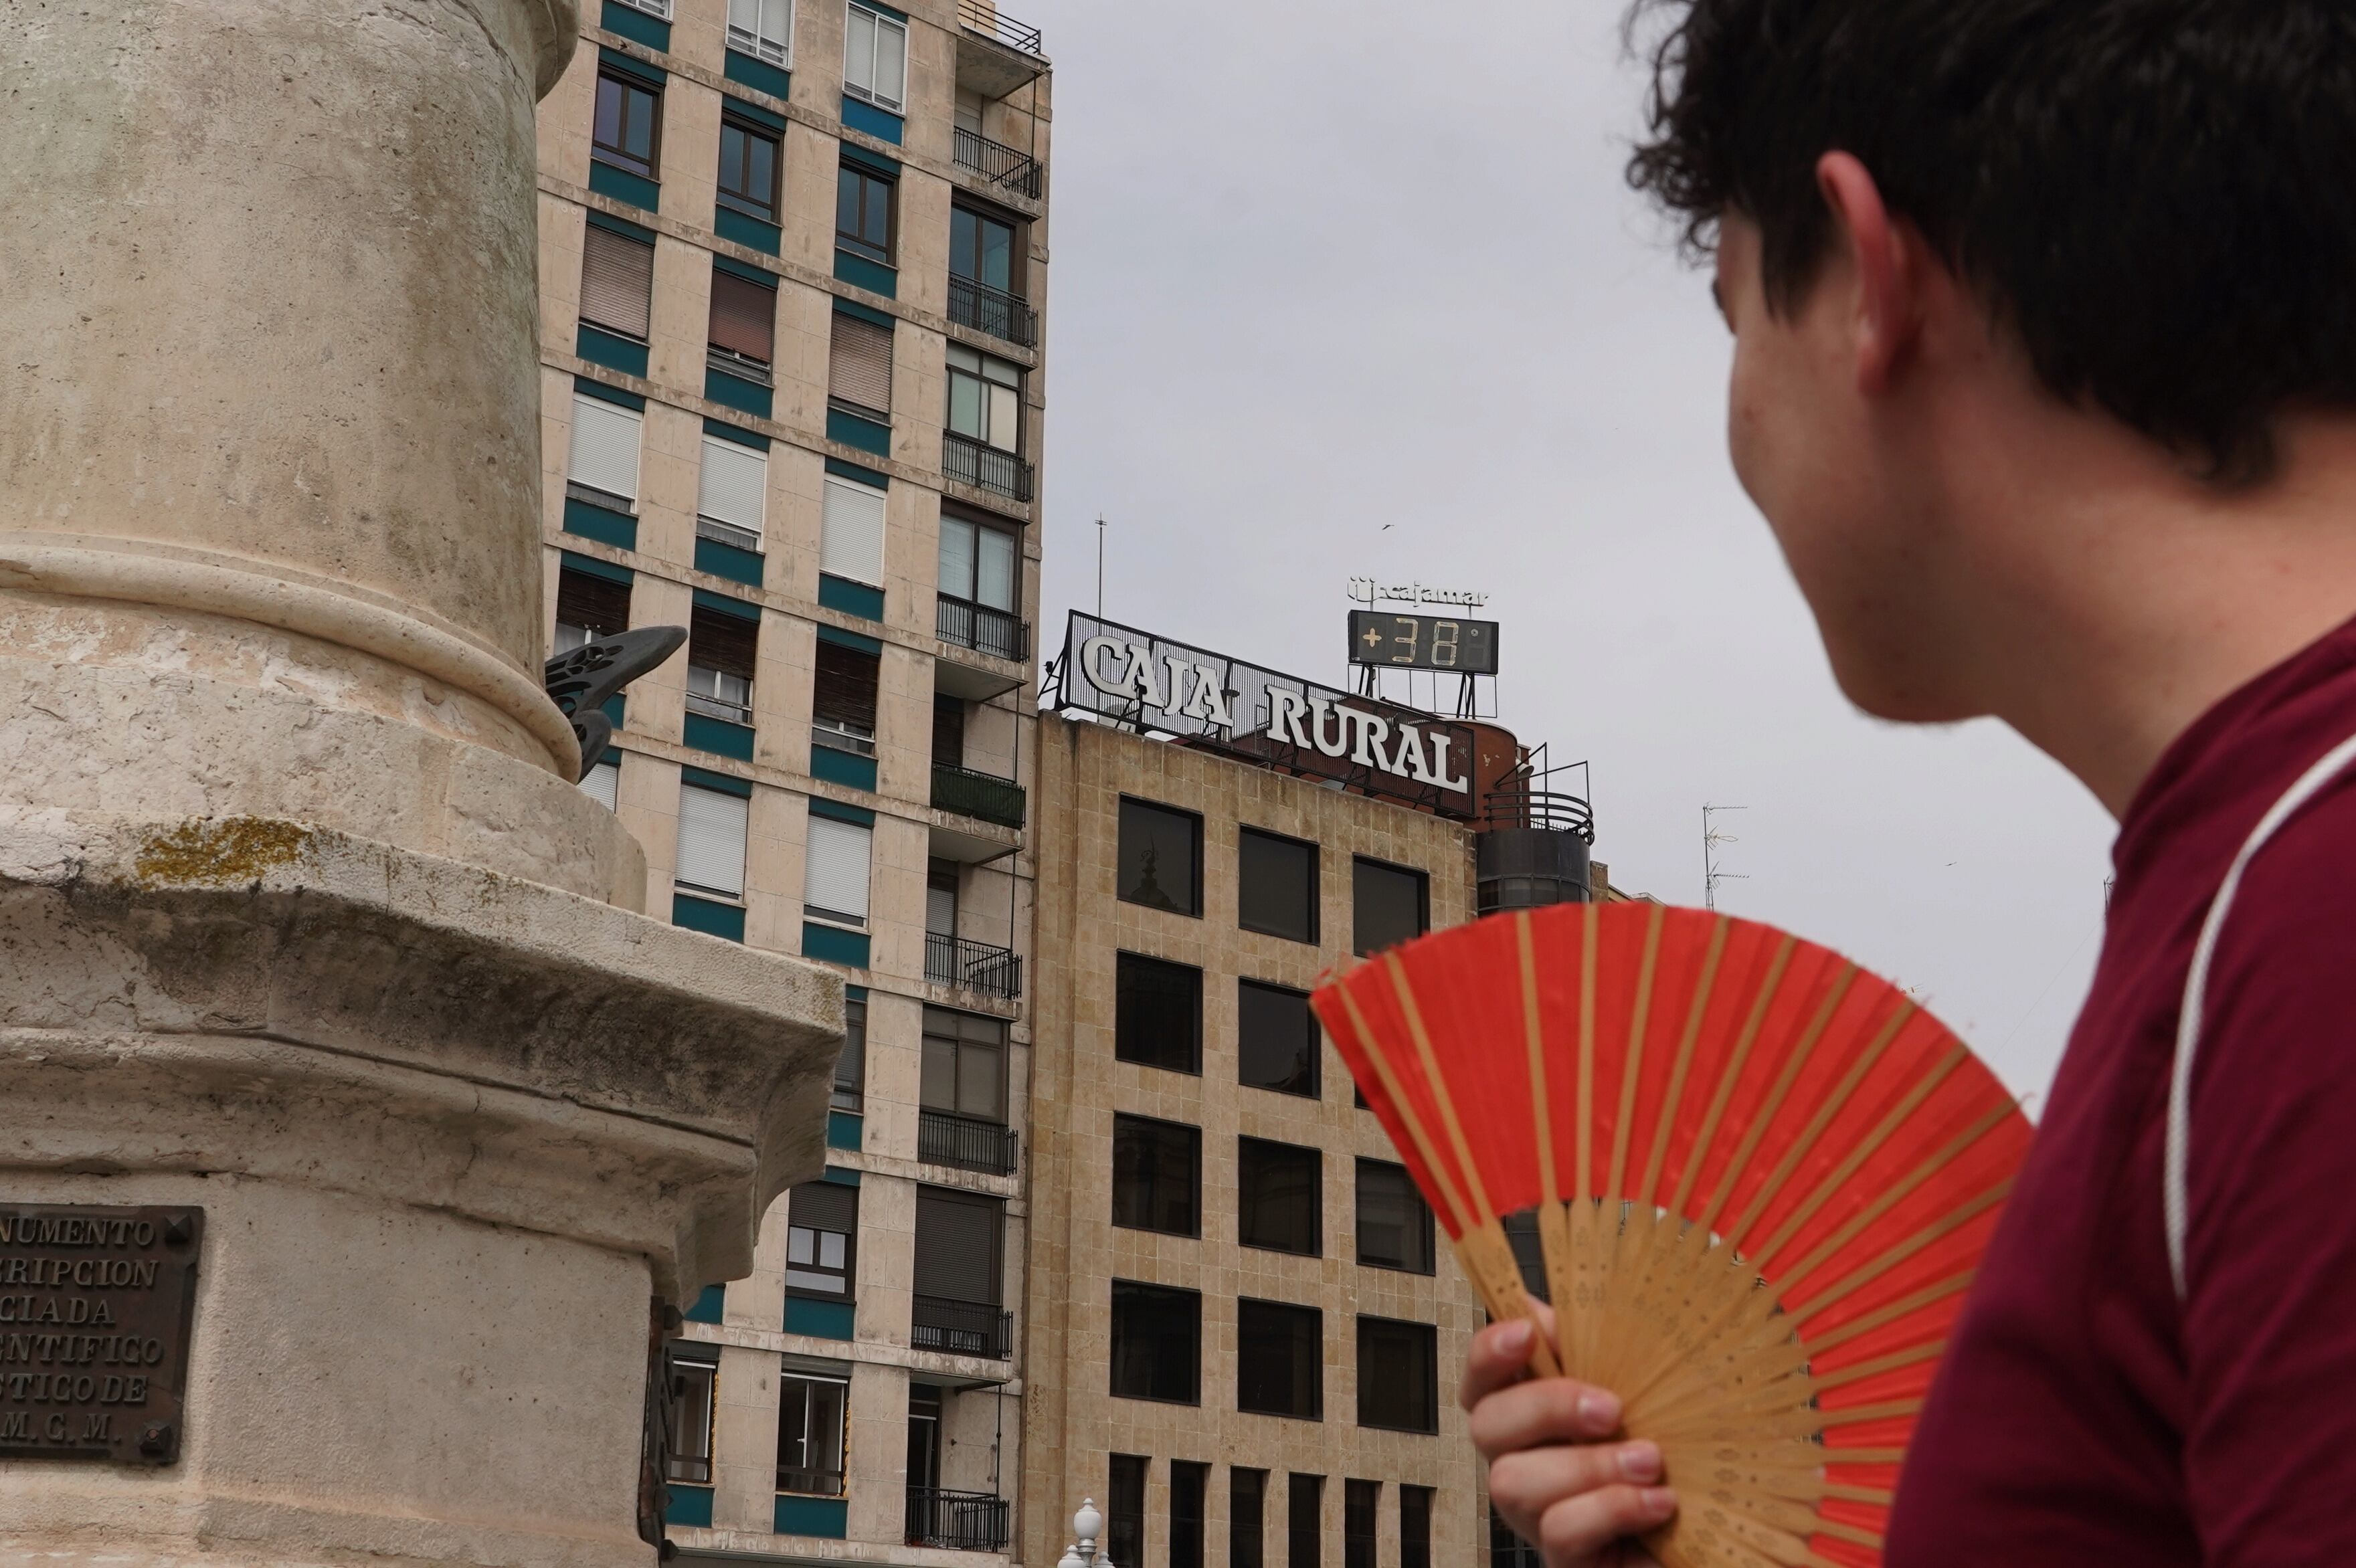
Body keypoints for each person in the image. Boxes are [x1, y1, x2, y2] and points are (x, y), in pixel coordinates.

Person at [1465, 3, 2356, 1564]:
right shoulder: (2255, 896)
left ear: (1870, 278)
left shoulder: (2317, 923)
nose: (1737, 420)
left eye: (1738, 312)